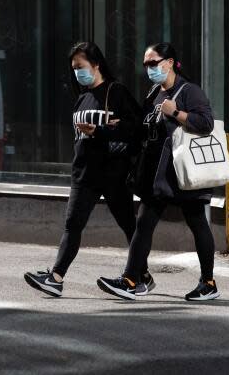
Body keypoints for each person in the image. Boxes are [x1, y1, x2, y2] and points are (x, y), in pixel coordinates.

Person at [24, 41, 154, 297]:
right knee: (73, 225)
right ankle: (56, 277)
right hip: (84, 174)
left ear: (96, 65)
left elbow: (137, 129)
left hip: (113, 173)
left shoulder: (116, 92)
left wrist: (105, 130)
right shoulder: (82, 98)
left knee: (129, 226)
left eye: (80, 67)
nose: (77, 73)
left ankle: (142, 276)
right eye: (73, 68)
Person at [96, 42, 220, 301]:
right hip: (158, 173)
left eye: (153, 63)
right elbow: (143, 130)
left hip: (183, 172)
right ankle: (132, 279)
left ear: (170, 62)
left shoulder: (189, 91)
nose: (149, 68)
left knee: (197, 222)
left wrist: (176, 112)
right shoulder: (154, 93)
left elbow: (206, 123)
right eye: (146, 64)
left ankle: (208, 282)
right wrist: (116, 127)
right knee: (144, 223)